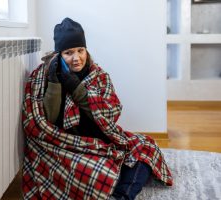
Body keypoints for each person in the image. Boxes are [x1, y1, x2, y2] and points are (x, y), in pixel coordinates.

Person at [22, 17, 173, 200]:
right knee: (99, 171)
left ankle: (121, 195)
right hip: (70, 145)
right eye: (69, 53)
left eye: (80, 50)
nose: (77, 58)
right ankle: (112, 178)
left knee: (146, 146)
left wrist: (77, 88)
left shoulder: (98, 75)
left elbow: (110, 114)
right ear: (58, 55)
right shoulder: (44, 77)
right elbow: (46, 121)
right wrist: (55, 82)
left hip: (100, 139)